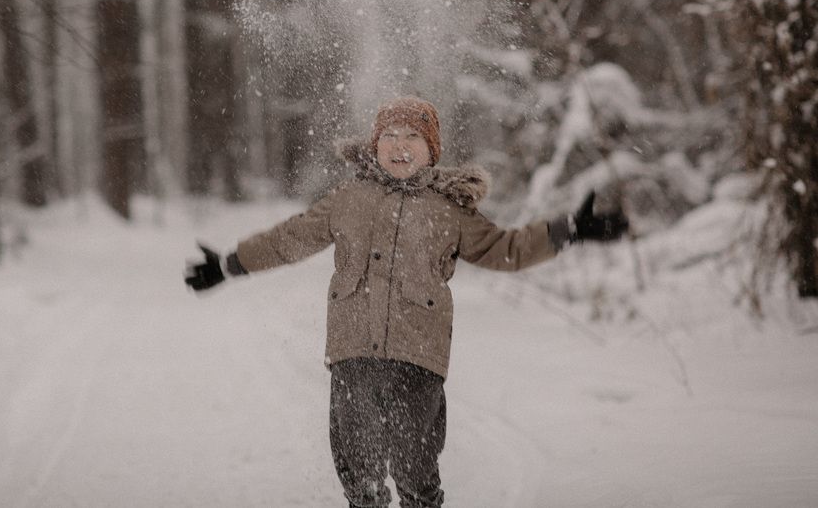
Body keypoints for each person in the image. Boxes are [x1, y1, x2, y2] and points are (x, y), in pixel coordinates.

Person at [184, 96, 628, 508]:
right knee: (358, 466)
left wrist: (566, 230)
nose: (400, 145)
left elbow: (503, 249)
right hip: (353, 351)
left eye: (412, 136)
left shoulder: (449, 210)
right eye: (389, 136)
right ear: (374, 146)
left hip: (417, 356)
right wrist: (229, 264)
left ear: (431, 150)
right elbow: (291, 238)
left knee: (415, 463)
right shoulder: (348, 199)